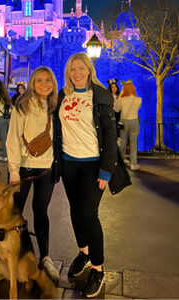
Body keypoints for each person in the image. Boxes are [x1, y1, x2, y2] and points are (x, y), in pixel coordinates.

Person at [53, 52, 123, 298]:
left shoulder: (101, 96)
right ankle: (83, 252)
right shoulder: (63, 95)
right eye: (73, 69)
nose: (77, 73)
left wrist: (106, 169)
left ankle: (98, 268)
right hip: (69, 164)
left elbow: (110, 136)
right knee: (74, 210)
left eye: (81, 68)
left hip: (93, 165)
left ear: (89, 70)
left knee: (88, 214)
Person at [5, 66, 59, 283]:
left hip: (46, 168)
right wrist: (13, 171)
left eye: (48, 80)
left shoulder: (55, 106)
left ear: (54, 83)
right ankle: (6, 258)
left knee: (41, 211)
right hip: (24, 169)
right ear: (32, 84)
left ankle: (45, 257)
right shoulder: (22, 106)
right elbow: (13, 139)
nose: (44, 84)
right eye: (39, 80)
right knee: (14, 213)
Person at [114, 80, 142, 171]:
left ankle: (120, 160)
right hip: (134, 121)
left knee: (123, 142)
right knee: (133, 143)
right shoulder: (138, 99)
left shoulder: (121, 100)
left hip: (124, 122)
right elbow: (137, 108)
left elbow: (116, 109)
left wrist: (120, 97)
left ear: (124, 89)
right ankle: (133, 163)